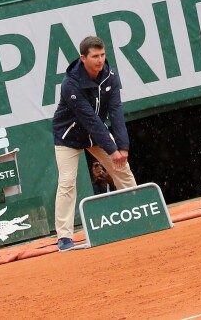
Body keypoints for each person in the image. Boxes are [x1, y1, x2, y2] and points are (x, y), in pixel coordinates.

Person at [52, 34, 136, 251]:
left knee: (122, 170)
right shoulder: (70, 84)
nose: (100, 60)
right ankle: (64, 237)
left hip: (96, 134)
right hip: (68, 137)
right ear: (83, 58)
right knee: (67, 182)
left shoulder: (110, 76)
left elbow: (116, 111)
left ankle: (140, 212)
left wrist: (122, 146)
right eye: (95, 56)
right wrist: (111, 148)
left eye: (102, 55)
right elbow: (89, 118)